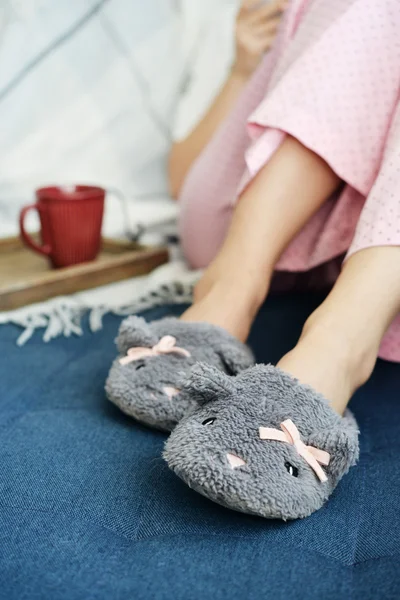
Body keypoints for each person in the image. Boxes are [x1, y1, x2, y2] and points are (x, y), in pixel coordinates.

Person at [168, 0, 400, 417]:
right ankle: (232, 288)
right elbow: (179, 181)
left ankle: (341, 346)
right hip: (239, 235)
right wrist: (240, 72)